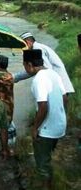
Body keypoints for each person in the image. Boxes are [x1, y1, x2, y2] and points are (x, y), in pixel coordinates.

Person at [22, 49, 67, 190]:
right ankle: (51, 182)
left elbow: (43, 106)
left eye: (24, 65)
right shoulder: (54, 74)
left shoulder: (38, 79)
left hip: (47, 130)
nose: (25, 69)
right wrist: (61, 115)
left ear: (29, 64)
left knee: (42, 166)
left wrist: (35, 128)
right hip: (60, 125)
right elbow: (65, 98)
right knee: (47, 159)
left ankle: (47, 186)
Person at [0, 55, 16, 153]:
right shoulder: (10, 76)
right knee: (5, 128)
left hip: (0, 108)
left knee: (1, 130)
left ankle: (3, 150)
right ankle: (6, 150)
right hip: (9, 107)